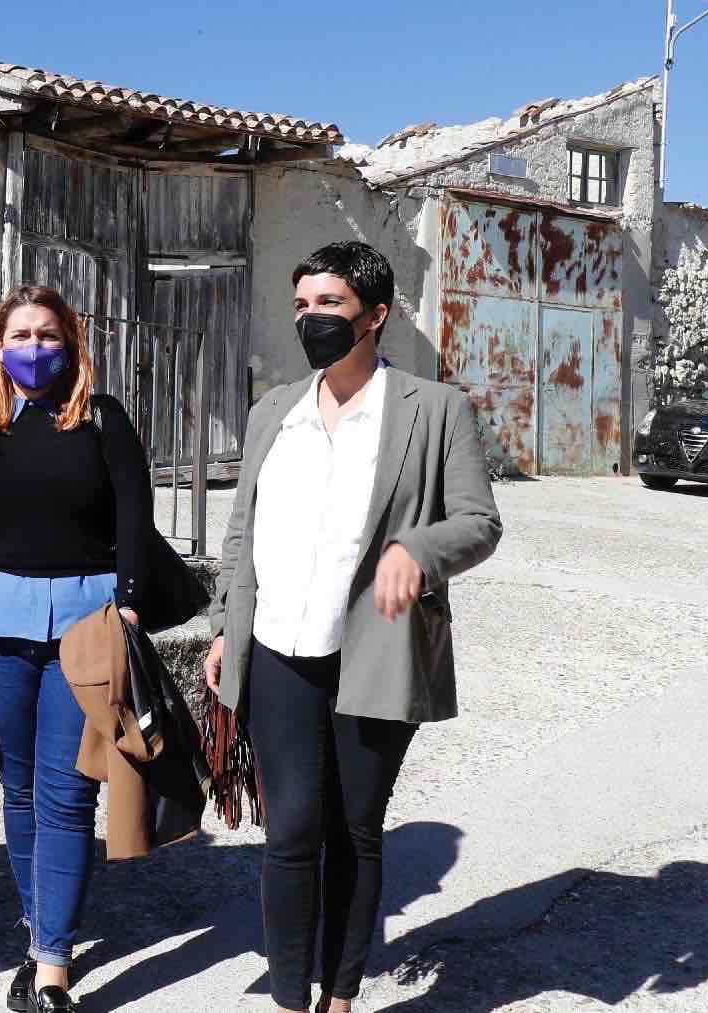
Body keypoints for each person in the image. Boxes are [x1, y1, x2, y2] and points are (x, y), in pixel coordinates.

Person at [203, 241, 503, 1013]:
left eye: (328, 304)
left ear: (374, 315)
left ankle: (338, 999)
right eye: (302, 305)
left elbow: (479, 522)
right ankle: (287, 1001)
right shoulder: (274, 411)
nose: (311, 319)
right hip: (279, 647)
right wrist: (221, 627)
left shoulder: (434, 410)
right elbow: (242, 534)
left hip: (375, 651)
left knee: (355, 828)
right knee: (291, 829)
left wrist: (418, 548)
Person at [0, 286, 153, 1013]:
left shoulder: (102, 420)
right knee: (19, 788)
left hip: (86, 626)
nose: (33, 346)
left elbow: (135, 511)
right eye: (20, 334)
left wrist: (128, 606)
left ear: (70, 342)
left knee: (68, 794)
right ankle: (37, 923)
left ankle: (51, 966)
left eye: (46, 333)